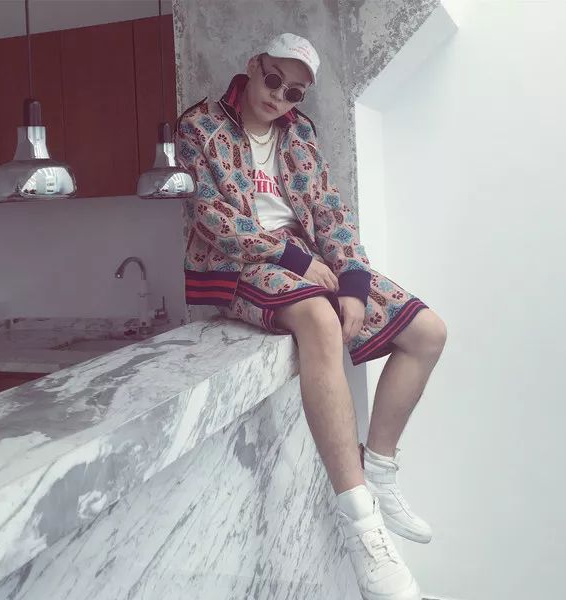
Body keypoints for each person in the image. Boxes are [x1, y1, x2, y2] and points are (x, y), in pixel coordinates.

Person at [175, 32, 447, 600]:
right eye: (274, 79)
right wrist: (298, 260)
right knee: (320, 322)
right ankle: (361, 525)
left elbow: (329, 210)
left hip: (306, 260)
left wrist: (354, 281)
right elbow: (210, 215)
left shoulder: (299, 133)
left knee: (427, 332)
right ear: (254, 65)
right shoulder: (200, 126)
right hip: (236, 265)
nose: (279, 96)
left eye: (294, 91)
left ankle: (380, 469)